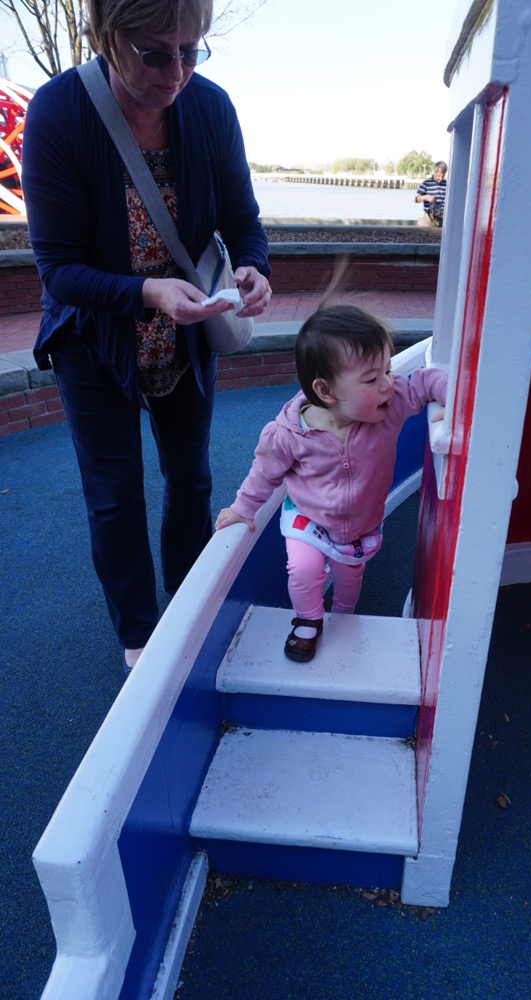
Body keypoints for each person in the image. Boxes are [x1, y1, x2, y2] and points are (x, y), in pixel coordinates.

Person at [21, 0, 272, 675]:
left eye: (192, 50)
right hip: (94, 339)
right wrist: (148, 294)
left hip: (185, 336)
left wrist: (253, 266)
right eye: (157, 53)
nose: (178, 72)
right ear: (108, 36)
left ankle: (187, 605)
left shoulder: (210, 107)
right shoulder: (58, 111)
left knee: (191, 479)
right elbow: (58, 270)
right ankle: (139, 632)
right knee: (114, 495)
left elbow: (242, 220)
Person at [215, 303, 448, 663]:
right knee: (304, 570)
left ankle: (343, 614)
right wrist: (243, 509)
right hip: (307, 516)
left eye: (387, 370)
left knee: (349, 578)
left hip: (359, 524)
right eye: (371, 379)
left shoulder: (391, 403)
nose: (388, 384)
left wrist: (456, 396)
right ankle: (308, 620)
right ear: (325, 391)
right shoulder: (291, 433)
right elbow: (265, 472)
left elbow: (424, 382)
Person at [414, 161, 448, 227]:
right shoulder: (426, 183)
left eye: (442, 176)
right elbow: (415, 199)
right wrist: (426, 197)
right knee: (425, 232)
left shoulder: (447, 184)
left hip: (443, 216)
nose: (440, 179)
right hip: (429, 216)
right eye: (438, 176)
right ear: (434, 172)